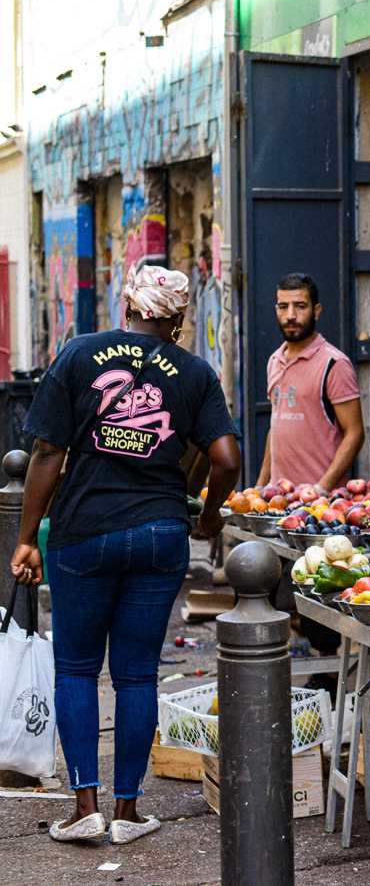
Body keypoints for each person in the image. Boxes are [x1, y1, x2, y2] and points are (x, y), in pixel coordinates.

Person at [10, 265, 241, 845]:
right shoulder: (193, 372)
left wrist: (24, 537)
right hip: (160, 533)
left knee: (77, 669)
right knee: (137, 675)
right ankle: (129, 813)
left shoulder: (78, 353)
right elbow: (227, 459)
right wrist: (209, 518)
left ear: (127, 307)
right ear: (179, 320)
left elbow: (45, 452)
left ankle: (84, 805)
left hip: (82, 532)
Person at [256, 272, 364, 492]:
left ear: (316, 311)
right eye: (283, 306)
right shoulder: (274, 361)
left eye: (300, 306)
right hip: (279, 499)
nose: (291, 315)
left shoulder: (334, 364)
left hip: (321, 507)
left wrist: (321, 488)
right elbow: (276, 428)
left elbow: (355, 433)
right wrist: (260, 487)